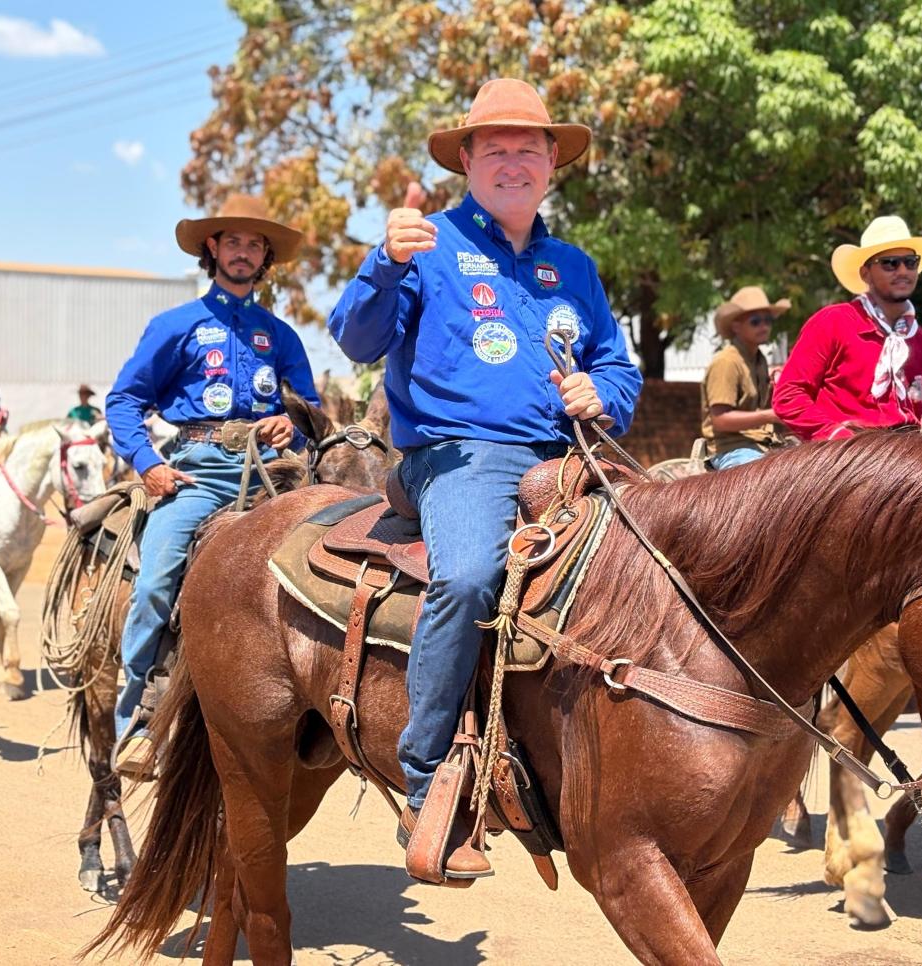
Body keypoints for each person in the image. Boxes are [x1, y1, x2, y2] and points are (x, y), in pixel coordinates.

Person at [328, 78, 641, 880]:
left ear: (550, 166)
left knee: (664, 558)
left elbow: (616, 365)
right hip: (460, 455)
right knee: (468, 577)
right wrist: (384, 262)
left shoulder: (573, 266)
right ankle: (427, 776)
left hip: (568, 456)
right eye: (494, 148)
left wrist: (602, 393)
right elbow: (357, 340)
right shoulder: (424, 245)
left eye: (528, 149)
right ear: (465, 160)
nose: (513, 162)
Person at [106, 193, 319, 776]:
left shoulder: (281, 336)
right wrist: (148, 464)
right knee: (155, 583)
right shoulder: (175, 326)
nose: (244, 252)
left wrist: (292, 422)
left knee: (331, 568)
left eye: (255, 244)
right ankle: (139, 722)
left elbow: (312, 415)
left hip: (274, 477)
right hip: (198, 469)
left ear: (265, 257)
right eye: (233, 241)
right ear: (212, 249)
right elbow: (124, 400)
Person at [773, 216, 922, 439]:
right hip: (843, 458)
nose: (902, 271)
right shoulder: (832, 322)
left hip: (906, 454)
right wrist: (838, 437)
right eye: (890, 263)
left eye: (911, 262)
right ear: (865, 273)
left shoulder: (920, 340)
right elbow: (788, 396)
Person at [700, 286, 789, 470]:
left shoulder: (760, 359)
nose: (764, 326)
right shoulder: (726, 362)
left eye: (768, 320)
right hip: (731, 449)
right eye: (755, 321)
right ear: (736, 326)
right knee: (762, 482)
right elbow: (721, 420)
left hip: (763, 444)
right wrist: (770, 416)